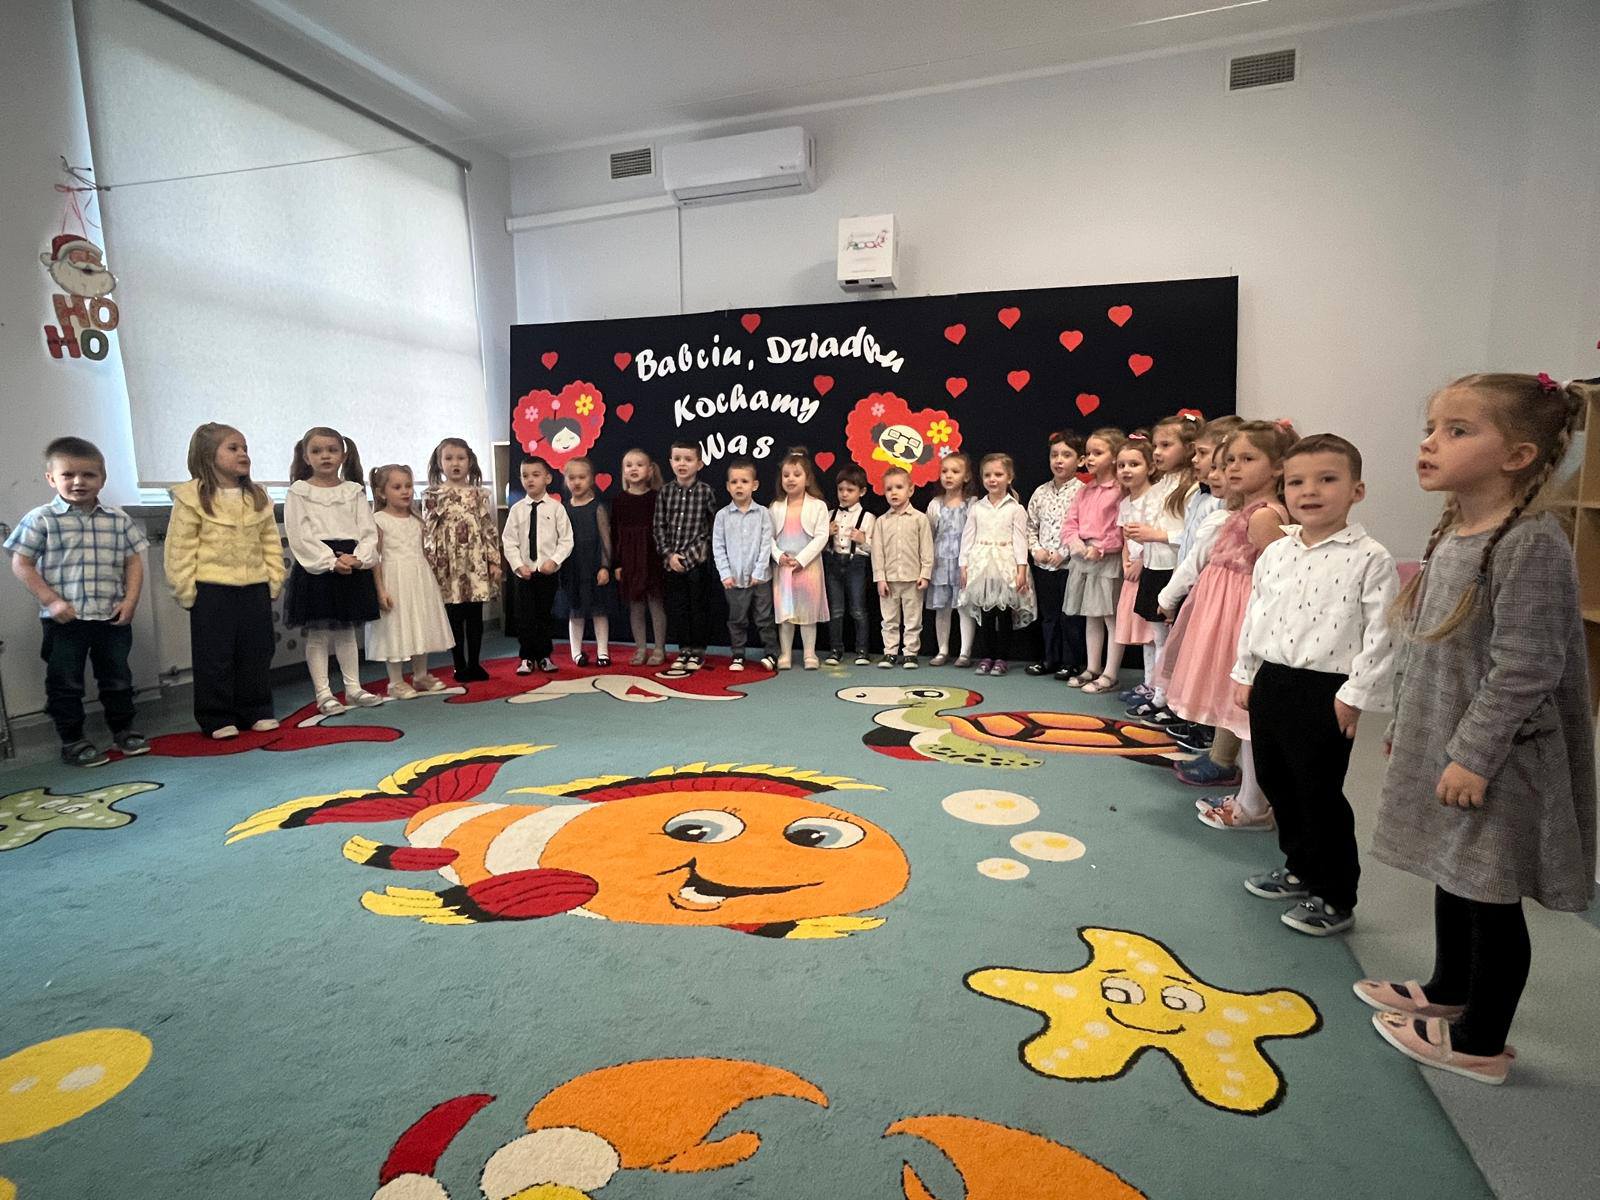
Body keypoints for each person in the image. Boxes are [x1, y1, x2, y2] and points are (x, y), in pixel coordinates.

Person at [1361, 373, 1594, 1085]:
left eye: (1458, 430)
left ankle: (1481, 1041)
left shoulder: (1530, 543)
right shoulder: (1456, 532)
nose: (1432, 443)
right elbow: (1425, 645)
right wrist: (1407, 722)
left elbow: (1528, 666)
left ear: (1518, 456)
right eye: (1431, 428)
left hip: (1500, 755)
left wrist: (1473, 755)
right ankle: (1447, 988)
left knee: (1489, 890)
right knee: (1454, 869)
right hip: (1448, 739)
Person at [1233, 434, 1398, 936]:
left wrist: (1355, 695)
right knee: (1277, 780)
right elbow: (1256, 613)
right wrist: (1245, 671)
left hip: (1327, 689)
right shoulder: (1276, 552)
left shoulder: (1370, 557)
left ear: (1356, 490)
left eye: (1327, 479)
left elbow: (1383, 632)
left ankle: (1335, 894)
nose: (1310, 491)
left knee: (1318, 790)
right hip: (1273, 678)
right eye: (1297, 481)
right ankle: (1299, 867)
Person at [1160, 421, 1296, 830]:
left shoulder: (1265, 515)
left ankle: (1253, 805)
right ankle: (1248, 796)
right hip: (1224, 615)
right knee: (1235, 710)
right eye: (1231, 459)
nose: (1234, 467)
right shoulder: (1244, 510)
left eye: (1247, 459)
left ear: (1277, 467)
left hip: (1239, 619)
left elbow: (1276, 579)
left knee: (1244, 714)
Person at [5, 436, 149, 766]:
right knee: (65, 683)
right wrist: (51, 601)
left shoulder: (117, 520)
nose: (78, 482)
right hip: (64, 621)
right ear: (51, 478)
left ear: (102, 478)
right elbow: (21, 563)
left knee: (117, 679)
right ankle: (72, 740)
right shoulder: (41, 519)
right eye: (68, 474)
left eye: (88, 475)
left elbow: (133, 562)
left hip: (111, 617)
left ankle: (124, 730)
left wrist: (130, 600)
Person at [164, 423, 284, 738]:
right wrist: (185, 590)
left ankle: (256, 709)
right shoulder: (191, 497)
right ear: (208, 455)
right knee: (214, 656)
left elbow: (270, 541)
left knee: (257, 651)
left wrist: (274, 578)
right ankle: (217, 716)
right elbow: (180, 548)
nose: (243, 453)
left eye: (245, 448)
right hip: (212, 590)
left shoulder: (256, 496)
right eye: (233, 448)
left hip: (254, 587)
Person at [283, 426, 382, 715]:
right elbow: (300, 535)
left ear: (343, 455)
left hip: (350, 562)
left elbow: (368, 530)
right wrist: (329, 561)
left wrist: (358, 558)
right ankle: (324, 693)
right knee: (319, 634)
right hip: (318, 568)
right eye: (317, 451)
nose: (325, 456)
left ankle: (353, 688)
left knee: (346, 631)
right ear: (306, 457)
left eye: (332, 450)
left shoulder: (353, 491)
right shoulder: (299, 492)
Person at [1122, 414, 1198, 722]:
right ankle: (1156, 691)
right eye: (1155, 445)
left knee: (1171, 638)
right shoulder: (1163, 484)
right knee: (1156, 636)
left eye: (1166, 445)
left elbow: (1192, 536)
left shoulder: (1192, 489)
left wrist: (1155, 535)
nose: (1157, 452)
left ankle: (1171, 698)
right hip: (1154, 566)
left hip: (1173, 570)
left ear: (1189, 448)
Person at [366, 464, 453, 699]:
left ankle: (420, 675)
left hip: (418, 577)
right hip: (394, 578)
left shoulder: (417, 519)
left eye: (408, 486)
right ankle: (395, 681)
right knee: (396, 626)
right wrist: (380, 590)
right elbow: (375, 558)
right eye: (397, 487)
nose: (405, 491)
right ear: (382, 492)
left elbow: (423, 552)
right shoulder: (379, 520)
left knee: (419, 622)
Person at [423, 438, 501, 682]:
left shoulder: (478, 494)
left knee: (474, 614)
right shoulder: (433, 495)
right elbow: (428, 531)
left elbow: (488, 528)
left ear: (470, 462)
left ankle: (475, 663)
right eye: (448, 458)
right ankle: (459, 664)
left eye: (460, 458)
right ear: (439, 463)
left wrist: (494, 561)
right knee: (454, 615)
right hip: (447, 564)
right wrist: (430, 563)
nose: (455, 463)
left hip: (474, 561)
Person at [1060, 428, 1126, 693]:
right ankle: (1092, 667)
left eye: (1098, 453)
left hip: (1107, 560)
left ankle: (1110, 673)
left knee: (1111, 617)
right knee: (1091, 616)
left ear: (1114, 456)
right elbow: (1070, 522)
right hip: (1084, 558)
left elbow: (1121, 528)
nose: (1090, 458)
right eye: (1088, 453)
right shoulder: (1085, 490)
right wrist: (1075, 543)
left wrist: (1102, 548)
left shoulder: (1120, 491)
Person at [959, 453, 1036, 676]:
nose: (992, 479)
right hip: (981, 565)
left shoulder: (1015, 508)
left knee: (1003, 615)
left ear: (1009, 477)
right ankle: (986, 656)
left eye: (998, 474)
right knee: (986, 614)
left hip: (1005, 565)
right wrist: (963, 565)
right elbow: (967, 537)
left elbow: (1020, 540)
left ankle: (1002, 657)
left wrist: (1021, 569)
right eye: (987, 475)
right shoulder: (977, 508)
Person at [503, 456, 573, 674]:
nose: (530, 480)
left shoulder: (556, 509)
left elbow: (566, 540)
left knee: (544, 615)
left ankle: (544, 655)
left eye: (535, 475)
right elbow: (509, 541)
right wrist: (518, 565)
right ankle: (526, 657)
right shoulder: (517, 510)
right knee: (525, 617)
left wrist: (554, 561)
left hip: (547, 572)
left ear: (547, 478)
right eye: (525, 476)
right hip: (524, 573)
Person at [653, 440, 719, 671]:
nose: (682, 464)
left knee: (698, 608)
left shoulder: (706, 492)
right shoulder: (665, 492)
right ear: (670, 462)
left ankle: (698, 651)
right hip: (671, 563)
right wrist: (669, 555)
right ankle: (684, 649)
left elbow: (710, 529)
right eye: (677, 459)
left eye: (688, 459)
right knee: (678, 608)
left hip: (696, 563)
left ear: (699, 464)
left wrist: (688, 557)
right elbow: (659, 526)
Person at [1026, 429, 1085, 680]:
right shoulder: (1040, 492)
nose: (1059, 460)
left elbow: (1086, 529)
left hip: (1070, 566)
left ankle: (1071, 662)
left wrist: (1064, 553)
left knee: (1070, 616)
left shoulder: (1084, 492)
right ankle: (1049, 658)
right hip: (1044, 566)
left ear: (1080, 460)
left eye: (1066, 455)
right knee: (1048, 616)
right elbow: (1030, 526)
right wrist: (1036, 550)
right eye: (1054, 455)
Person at [712, 458, 779, 672]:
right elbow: (718, 546)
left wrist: (759, 571)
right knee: (737, 620)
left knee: (764, 618)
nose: (739, 486)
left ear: (754, 485)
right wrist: (725, 574)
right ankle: (738, 654)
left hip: (760, 579)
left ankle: (771, 653)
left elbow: (766, 544)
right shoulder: (722, 516)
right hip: (734, 579)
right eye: (734, 482)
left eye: (744, 481)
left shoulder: (763, 514)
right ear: (727, 486)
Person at [767, 447, 831, 670]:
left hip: (808, 567)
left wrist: (802, 559)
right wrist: (779, 556)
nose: (790, 479)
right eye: (786, 475)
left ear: (807, 479)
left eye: (796, 475)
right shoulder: (775, 507)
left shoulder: (818, 506)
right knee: (785, 613)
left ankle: (809, 654)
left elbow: (822, 536)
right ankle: (785, 653)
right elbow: (768, 537)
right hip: (784, 567)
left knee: (807, 613)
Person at [871, 466, 934, 668]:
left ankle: (910, 653)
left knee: (913, 619)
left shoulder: (920, 519)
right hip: (889, 580)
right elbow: (877, 553)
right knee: (889, 619)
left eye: (899, 487)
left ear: (911, 490)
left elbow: (926, 549)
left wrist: (925, 574)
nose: (894, 493)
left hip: (912, 579)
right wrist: (880, 578)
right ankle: (890, 652)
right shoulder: (881, 522)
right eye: (889, 489)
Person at [613, 449, 667, 665]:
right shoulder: (619, 500)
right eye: (628, 465)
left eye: (639, 464)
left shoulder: (657, 498)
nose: (633, 469)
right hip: (629, 559)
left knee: (656, 604)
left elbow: (663, 529)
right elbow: (614, 533)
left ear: (650, 470)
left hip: (652, 557)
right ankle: (641, 648)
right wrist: (617, 563)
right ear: (623, 471)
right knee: (635, 606)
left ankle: (659, 649)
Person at [925, 452, 977, 666]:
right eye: (944, 471)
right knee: (942, 608)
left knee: (964, 607)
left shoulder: (972, 504)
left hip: (963, 563)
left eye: (955, 471)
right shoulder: (935, 504)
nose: (948, 475)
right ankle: (942, 650)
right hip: (940, 563)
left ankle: (965, 652)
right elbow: (928, 535)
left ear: (966, 476)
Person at [561, 458, 614, 666]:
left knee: (599, 610)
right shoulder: (563, 509)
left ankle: (603, 652)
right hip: (572, 567)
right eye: (572, 478)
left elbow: (605, 539)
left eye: (582, 477)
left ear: (591, 479)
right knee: (576, 611)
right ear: (566, 480)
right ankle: (576, 652)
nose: (576, 482)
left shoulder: (597, 508)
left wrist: (605, 566)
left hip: (593, 565)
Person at [823, 464, 876, 666]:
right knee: (835, 610)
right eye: (841, 489)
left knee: (858, 609)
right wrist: (826, 534)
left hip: (857, 564)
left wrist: (863, 540)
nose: (844, 494)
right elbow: (818, 545)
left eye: (850, 490)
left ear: (862, 492)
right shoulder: (829, 514)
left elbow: (876, 550)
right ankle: (835, 650)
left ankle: (862, 650)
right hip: (833, 562)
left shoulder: (868, 518)